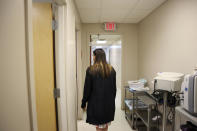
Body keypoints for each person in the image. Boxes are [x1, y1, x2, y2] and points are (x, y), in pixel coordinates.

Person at [81, 48, 116, 131]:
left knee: (99, 126)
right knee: (105, 125)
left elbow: (87, 89)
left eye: (93, 55)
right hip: (108, 104)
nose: (92, 57)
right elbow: (114, 89)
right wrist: (111, 101)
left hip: (96, 104)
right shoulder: (111, 70)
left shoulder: (90, 70)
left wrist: (83, 102)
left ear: (96, 57)